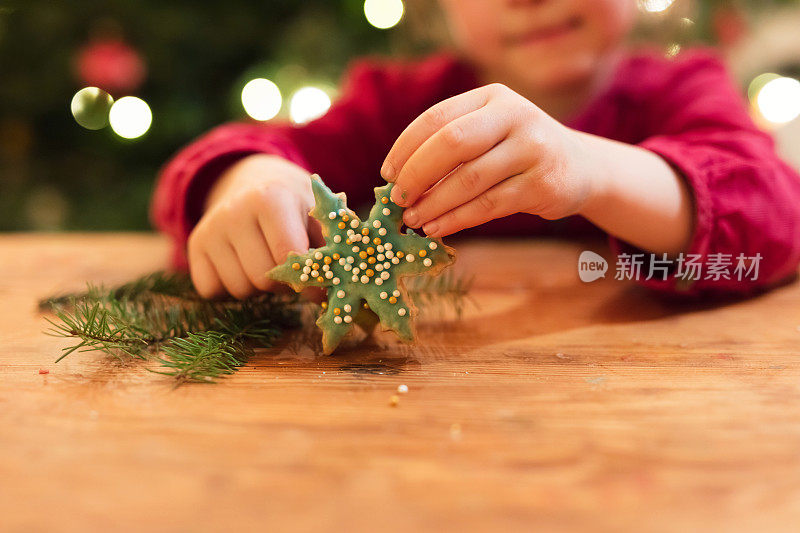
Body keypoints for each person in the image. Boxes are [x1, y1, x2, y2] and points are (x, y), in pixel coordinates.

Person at [151, 0, 800, 300]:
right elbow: (249, 148)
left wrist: (590, 168)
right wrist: (246, 179)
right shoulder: (395, 102)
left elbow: (774, 213)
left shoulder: (682, 86)